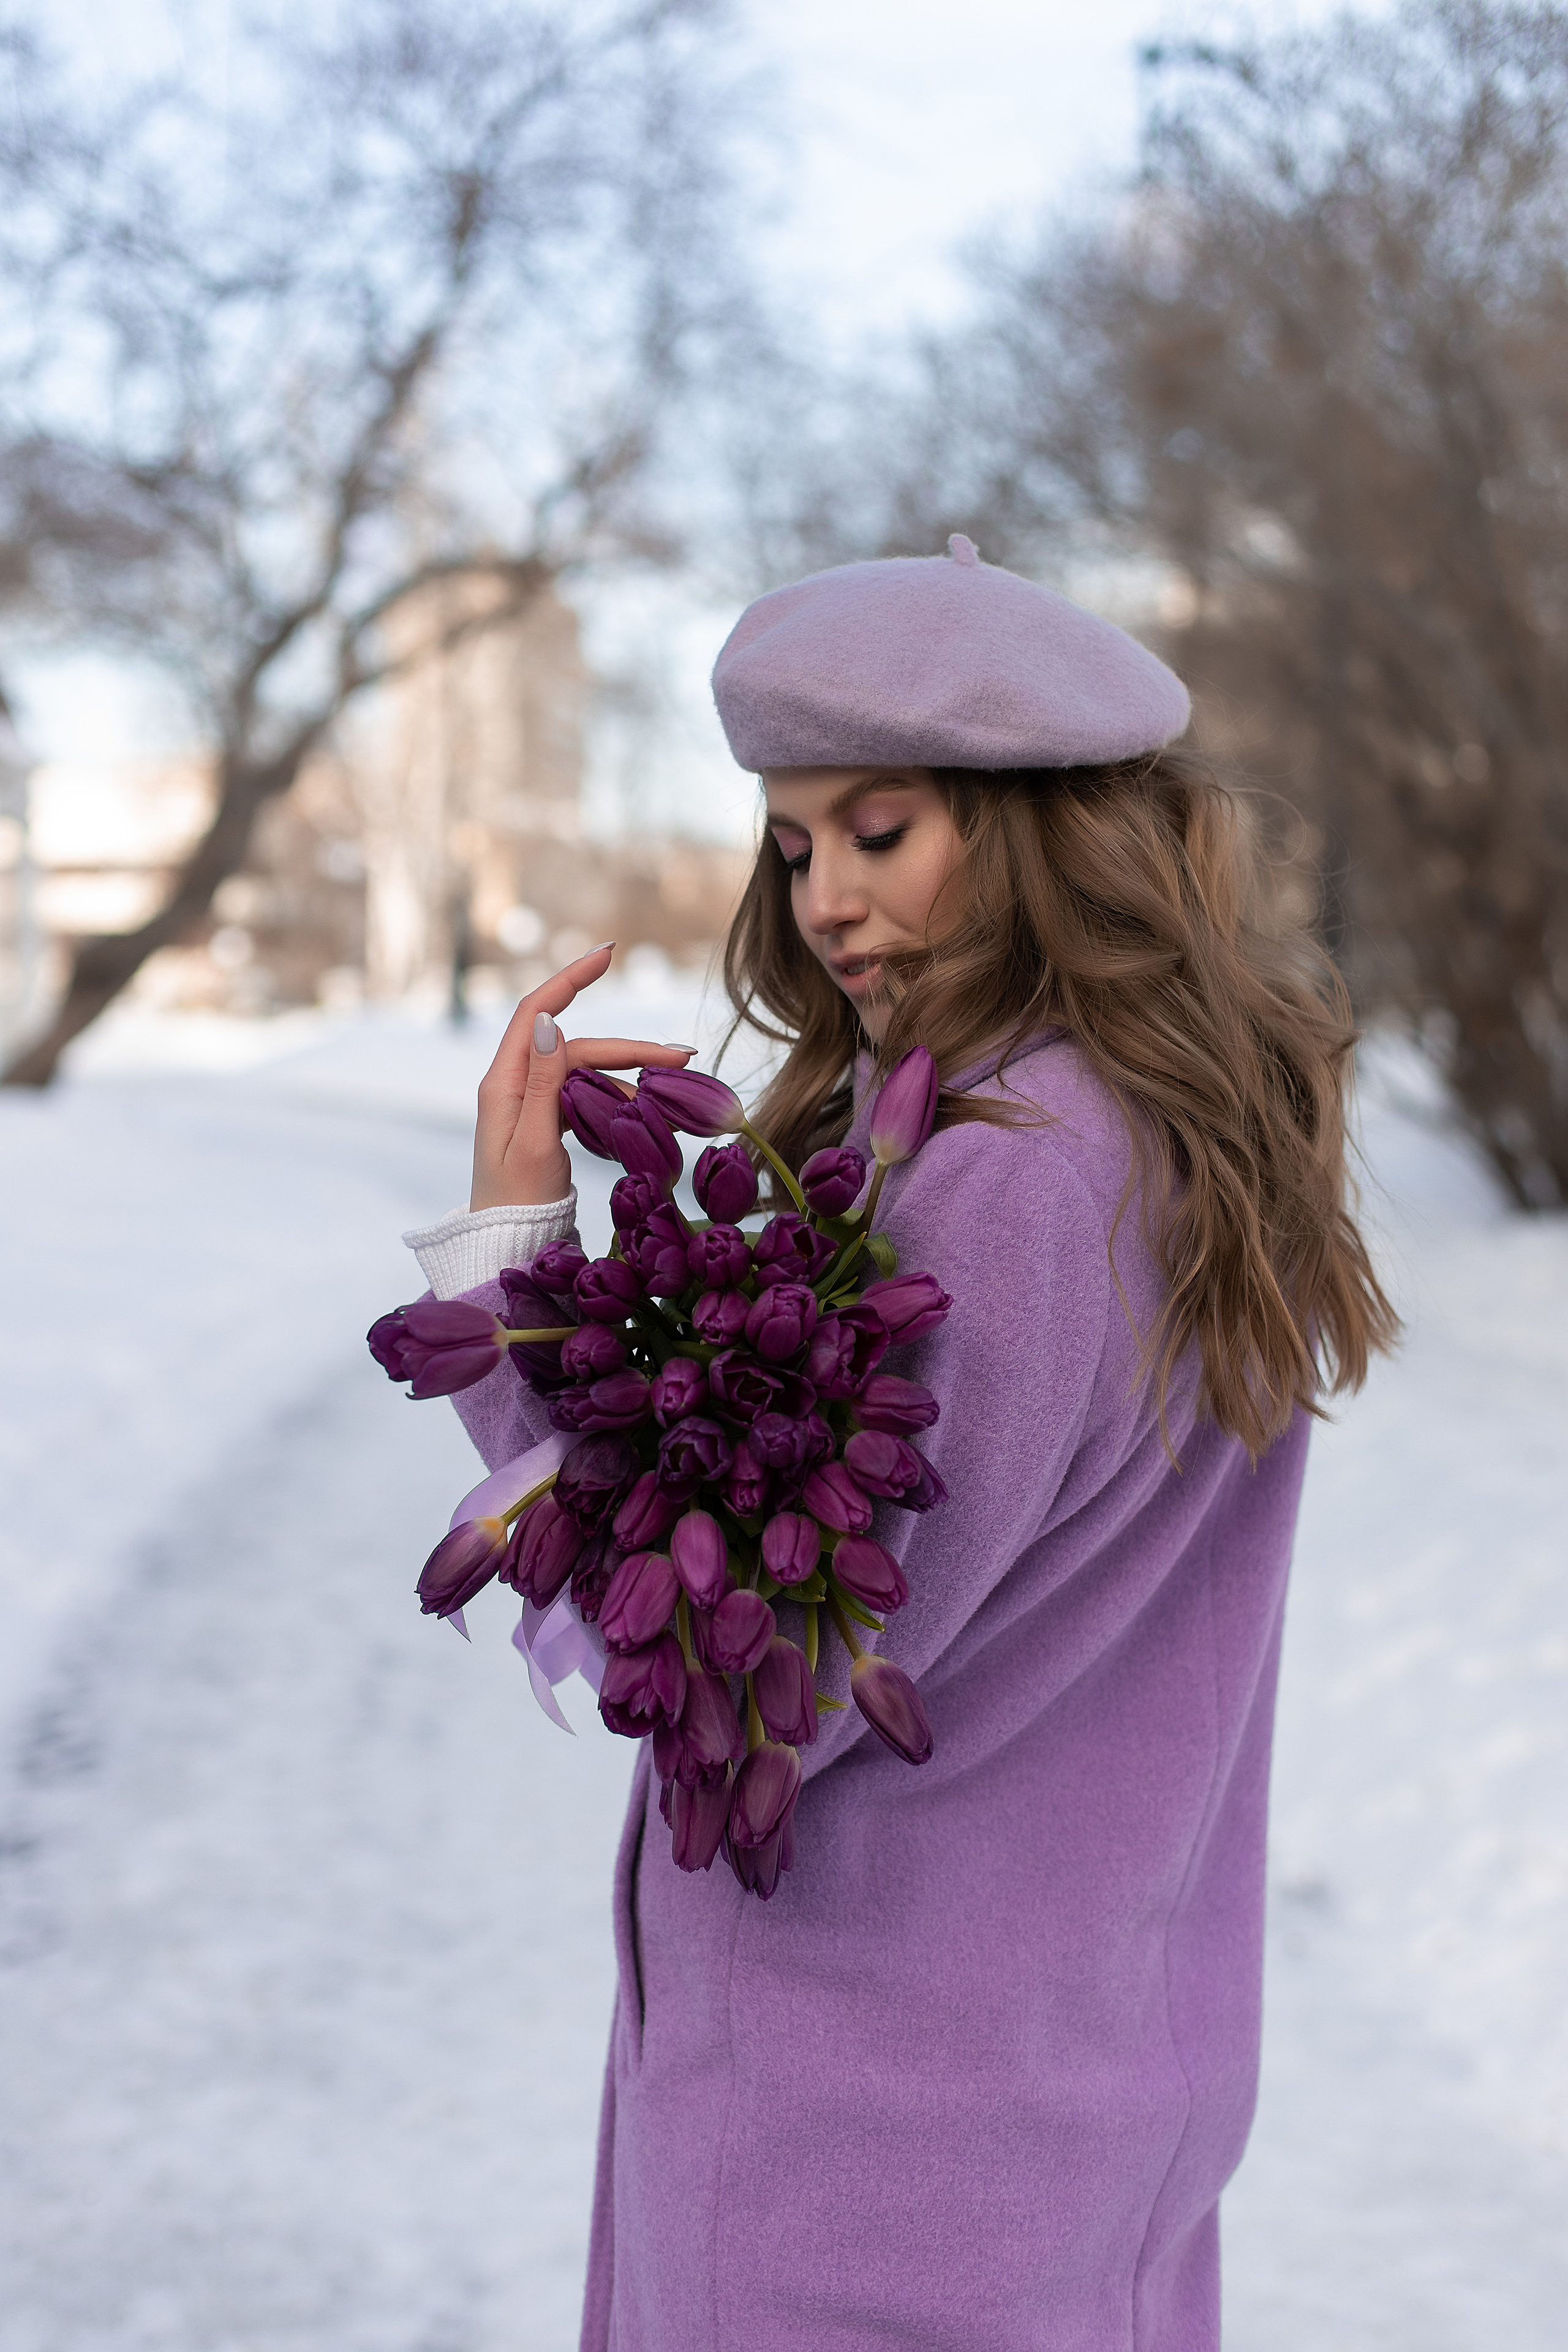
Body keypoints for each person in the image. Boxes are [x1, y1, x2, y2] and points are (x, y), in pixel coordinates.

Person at [401, 536, 1396, 2352]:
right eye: (794, 847)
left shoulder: (1010, 1180)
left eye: (882, 831)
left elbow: (747, 1665)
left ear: (1039, 828)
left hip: (869, 2159)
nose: (828, 900)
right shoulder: (1163, 1134)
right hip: (1078, 2091)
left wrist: (512, 1270)